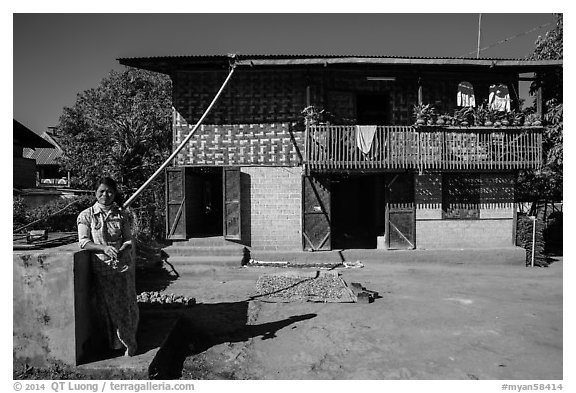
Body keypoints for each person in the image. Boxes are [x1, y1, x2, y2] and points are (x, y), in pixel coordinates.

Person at [77, 176, 139, 357]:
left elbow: (128, 239)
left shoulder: (121, 214)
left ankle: (130, 343)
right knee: (109, 308)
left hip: (123, 268)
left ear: (115, 193)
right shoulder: (86, 215)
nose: (106, 195)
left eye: (110, 191)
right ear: (95, 193)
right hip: (103, 269)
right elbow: (84, 242)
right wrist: (103, 248)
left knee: (127, 306)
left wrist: (123, 248)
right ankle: (115, 345)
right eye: (102, 191)